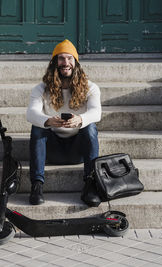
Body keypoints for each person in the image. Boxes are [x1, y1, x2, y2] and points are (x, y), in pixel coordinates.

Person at [26, 39, 102, 207]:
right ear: (54, 62)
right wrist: (48, 121)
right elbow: (31, 113)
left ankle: (90, 184)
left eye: (69, 58)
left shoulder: (91, 88)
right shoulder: (41, 88)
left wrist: (80, 120)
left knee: (90, 127)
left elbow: (96, 112)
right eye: (61, 58)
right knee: (38, 127)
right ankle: (37, 185)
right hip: (52, 150)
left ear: (76, 63)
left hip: (78, 150)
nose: (65, 63)